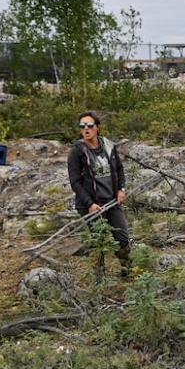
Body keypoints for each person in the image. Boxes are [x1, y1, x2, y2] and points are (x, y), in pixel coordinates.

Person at [66, 110, 131, 273]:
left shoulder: (108, 146)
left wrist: (120, 189)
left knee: (122, 237)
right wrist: (89, 204)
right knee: (99, 241)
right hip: (91, 204)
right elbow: (75, 182)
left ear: (97, 127)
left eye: (89, 125)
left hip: (111, 200)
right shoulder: (77, 151)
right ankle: (99, 277)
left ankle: (127, 269)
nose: (85, 129)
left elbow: (119, 169)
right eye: (82, 126)